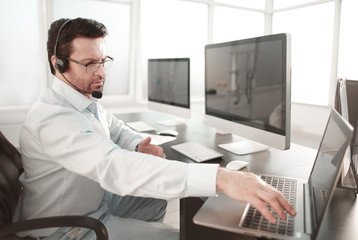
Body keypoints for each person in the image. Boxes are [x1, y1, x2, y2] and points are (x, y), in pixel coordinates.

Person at [16, 17, 296, 240]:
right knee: (183, 236)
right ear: (59, 63)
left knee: (157, 197)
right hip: (67, 229)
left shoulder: (81, 99)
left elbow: (115, 128)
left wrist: (137, 144)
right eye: (90, 64)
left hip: (93, 204)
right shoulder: (54, 119)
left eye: (103, 61)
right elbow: (114, 166)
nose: (101, 72)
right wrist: (221, 179)